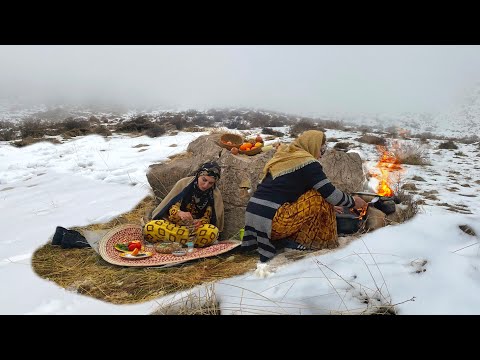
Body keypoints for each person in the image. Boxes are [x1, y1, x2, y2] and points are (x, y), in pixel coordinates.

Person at [241, 130, 367, 262]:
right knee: (318, 196)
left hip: (254, 219)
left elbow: (292, 192)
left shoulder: (286, 158)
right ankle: (322, 244)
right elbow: (331, 195)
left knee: (320, 198)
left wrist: (327, 205)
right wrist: (353, 201)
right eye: (320, 149)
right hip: (272, 222)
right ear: (311, 145)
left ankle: (290, 241)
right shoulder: (308, 163)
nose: (320, 155)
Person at [143, 161, 224, 248]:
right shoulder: (183, 184)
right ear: (198, 175)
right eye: (204, 180)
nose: (205, 185)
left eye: (210, 183)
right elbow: (170, 206)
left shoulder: (214, 194)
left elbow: (210, 218)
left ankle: (173, 242)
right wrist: (179, 213)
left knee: (212, 232)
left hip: (195, 230)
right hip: (173, 226)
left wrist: (200, 222)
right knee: (150, 227)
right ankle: (188, 243)